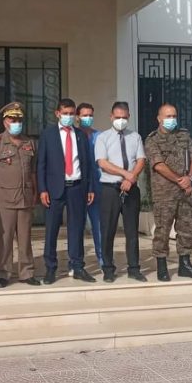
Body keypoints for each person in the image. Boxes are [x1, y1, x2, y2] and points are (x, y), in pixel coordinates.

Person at [37, 98, 96, 284]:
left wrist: (89, 187)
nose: (68, 117)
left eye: (71, 114)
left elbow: (87, 163)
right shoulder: (48, 135)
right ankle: (50, 268)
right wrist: (42, 189)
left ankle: (77, 266)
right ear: (57, 114)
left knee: (76, 228)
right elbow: (41, 164)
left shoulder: (80, 135)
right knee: (52, 229)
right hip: (54, 188)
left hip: (77, 187)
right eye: (65, 113)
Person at [145, 104, 192, 281]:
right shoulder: (152, 140)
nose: (172, 119)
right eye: (168, 116)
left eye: (174, 116)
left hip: (185, 192)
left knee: (186, 228)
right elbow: (158, 165)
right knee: (162, 231)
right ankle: (162, 266)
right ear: (159, 118)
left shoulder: (184, 136)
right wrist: (181, 180)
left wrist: (190, 177)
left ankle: (185, 265)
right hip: (164, 193)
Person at [0, 102, 40, 288]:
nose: (16, 123)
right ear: (5, 121)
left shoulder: (29, 143)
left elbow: (33, 171)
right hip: (5, 199)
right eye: (12, 119)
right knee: (5, 239)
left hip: (25, 197)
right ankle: (3, 273)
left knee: (25, 239)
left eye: (19, 119)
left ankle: (27, 273)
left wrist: (35, 192)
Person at [95, 102, 148, 283]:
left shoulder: (135, 137)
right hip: (110, 188)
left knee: (132, 231)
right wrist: (125, 174)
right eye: (117, 117)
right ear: (111, 117)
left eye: (124, 117)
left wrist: (131, 178)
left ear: (129, 117)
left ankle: (134, 268)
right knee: (108, 230)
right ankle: (108, 268)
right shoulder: (103, 138)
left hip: (131, 189)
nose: (121, 120)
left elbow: (141, 160)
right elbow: (102, 163)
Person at [76, 102, 103, 269]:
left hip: (98, 186)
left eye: (90, 115)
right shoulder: (73, 136)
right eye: (84, 115)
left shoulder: (99, 136)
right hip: (78, 186)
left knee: (98, 225)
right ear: (77, 117)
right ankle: (76, 262)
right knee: (77, 227)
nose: (88, 118)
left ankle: (103, 260)